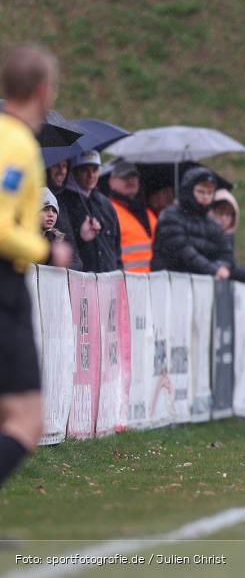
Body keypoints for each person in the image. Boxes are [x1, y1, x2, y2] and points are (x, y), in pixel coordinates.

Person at [0, 45, 72, 489]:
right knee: (27, 420)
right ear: (44, 91)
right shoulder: (18, 144)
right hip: (5, 283)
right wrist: (47, 251)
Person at [151, 166, 233, 278]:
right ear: (189, 190)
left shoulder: (213, 224)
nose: (205, 197)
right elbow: (183, 252)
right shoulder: (170, 217)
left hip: (203, 285)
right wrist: (213, 269)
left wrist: (221, 267)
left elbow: (226, 253)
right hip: (171, 282)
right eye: (201, 192)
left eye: (209, 193)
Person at [58, 149, 122, 272]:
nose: (91, 175)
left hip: (109, 280)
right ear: (74, 171)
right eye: (85, 170)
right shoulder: (63, 203)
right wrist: (80, 237)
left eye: (95, 169)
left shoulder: (106, 205)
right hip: (80, 282)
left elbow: (116, 250)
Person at [107, 159, 156, 273]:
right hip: (127, 283)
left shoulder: (147, 212)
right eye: (124, 177)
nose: (130, 181)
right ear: (111, 181)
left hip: (152, 282)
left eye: (133, 176)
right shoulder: (108, 210)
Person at [209, 187, 245, 287]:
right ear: (210, 211)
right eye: (220, 213)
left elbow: (229, 263)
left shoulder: (228, 236)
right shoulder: (202, 232)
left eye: (229, 215)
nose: (224, 218)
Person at [44, 158, 82, 270]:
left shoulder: (64, 200)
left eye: (65, 166)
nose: (62, 171)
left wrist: (82, 237)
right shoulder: (33, 199)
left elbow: (70, 247)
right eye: (56, 165)